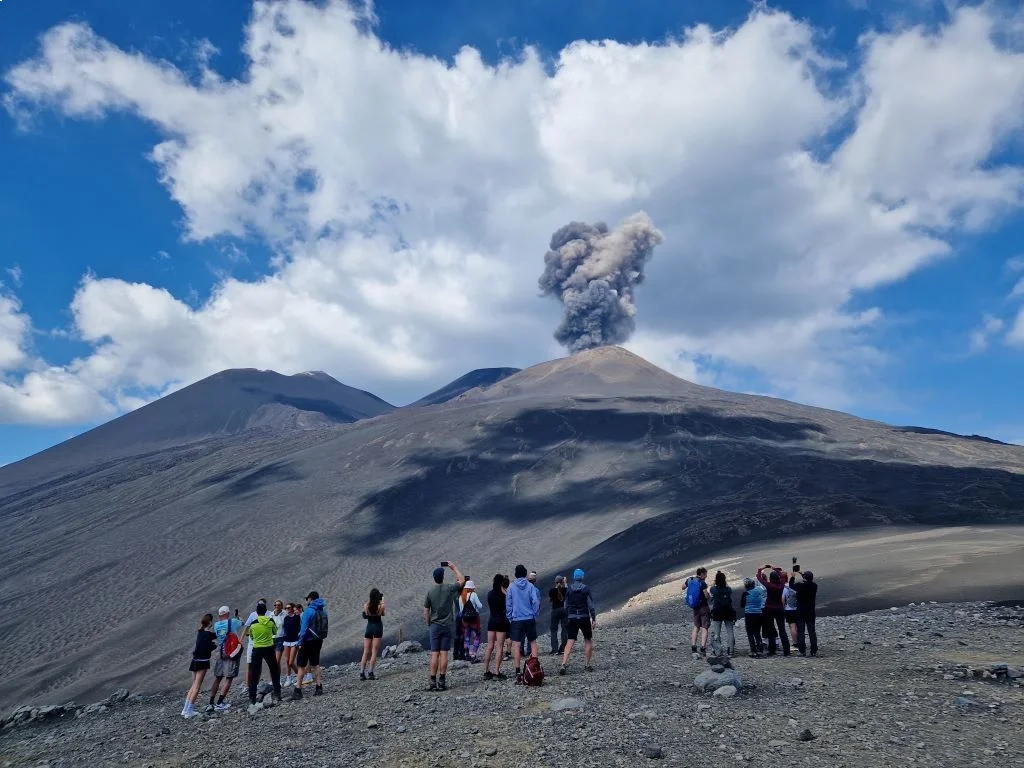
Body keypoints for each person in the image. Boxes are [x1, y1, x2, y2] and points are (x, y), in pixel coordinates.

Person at [423, 561, 466, 691]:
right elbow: (462, 580)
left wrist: (428, 622)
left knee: (435, 654)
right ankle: (442, 680)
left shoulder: (430, 592)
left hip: (435, 625)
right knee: (444, 653)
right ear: (442, 577)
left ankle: (432, 681)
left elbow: (426, 611)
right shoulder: (449, 588)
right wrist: (454, 567)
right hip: (446, 625)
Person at [240, 601, 283, 706]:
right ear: (265, 612)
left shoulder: (253, 624)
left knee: (254, 673)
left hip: (257, 649)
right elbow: (275, 632)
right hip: (269, 648)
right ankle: (277, 693)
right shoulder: (271, 621)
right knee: (274, 671)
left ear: (257, 612)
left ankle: (252, 697)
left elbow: (252, 636)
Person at [506, 564, 541, 684]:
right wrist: (534, 613)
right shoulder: (530, 586)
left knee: (516, 645)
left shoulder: (511, 587)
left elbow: (508, 604)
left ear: (515, 574)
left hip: (516, 619)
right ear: (525, 573)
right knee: (533, 642)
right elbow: (535, 601)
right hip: (529, 617)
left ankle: (518, 672)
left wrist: (510, 617)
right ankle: (534, 666)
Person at [291, 591, 328, 699]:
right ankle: (319, 687)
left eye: (307, 599)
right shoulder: (323, 611)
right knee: (315, 664)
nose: (307, 600)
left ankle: (298, 690)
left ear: (311, 599)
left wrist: (300, 642)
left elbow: (303, 630)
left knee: (301, 666)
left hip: (307, 641)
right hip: (318, 640)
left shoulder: (308, 611)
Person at [559, 569, 596, 675]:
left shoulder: (569, 589)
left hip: (572, 617)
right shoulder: (586, 589)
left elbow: (565, 605)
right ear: (582, 577)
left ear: (574, 577)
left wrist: (568, 615)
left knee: (570, 641)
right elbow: (591, 606)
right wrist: (593, 619)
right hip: (584, 617)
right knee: (588, 640)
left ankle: (564, 664)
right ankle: (587, 665)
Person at [182, 613, 217, 718]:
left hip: (194, 661)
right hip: (202, 662)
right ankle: (189, 711)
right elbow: (211, 644)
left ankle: (185, 709)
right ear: (210, 622)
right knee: (197, 687)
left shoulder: (200, 632)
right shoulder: (208, 634)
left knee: (193, 686)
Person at [208, 606, 242, 712]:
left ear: (219, 615)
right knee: (229, 678)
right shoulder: (233, 622)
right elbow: (242, 623)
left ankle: (211, 703)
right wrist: (238, 617)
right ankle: (220, 703)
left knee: (218, 677)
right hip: (231, 652)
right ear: (227, 613)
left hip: (221, 652)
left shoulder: (216, 625)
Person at [757, 564, 790, 656]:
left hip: (769, 609)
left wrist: (761, 568)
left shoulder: (769, 585)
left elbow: (759, 577)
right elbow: (782, 576)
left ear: (770, 578)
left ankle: (772, 650)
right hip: (779, 608)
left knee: (770, 629)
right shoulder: (781, 585)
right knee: (782, 629)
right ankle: (786, 650)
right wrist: (774, 568)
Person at [483, 573, 509, 680]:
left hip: (491, 620)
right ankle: (497, 672)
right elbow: (509, 603)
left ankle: (486, 671)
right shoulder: (504, 595)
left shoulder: (489, 594)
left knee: (489, 646)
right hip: (501, 621)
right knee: (499, 647)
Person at [683, 567, 711, 656]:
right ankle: (703, 647)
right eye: (706, 574)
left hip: (695, 607)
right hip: (703, 607)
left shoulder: (690, 580)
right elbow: (706, 596)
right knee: (705, 628)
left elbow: (683, 587)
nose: (706, 576)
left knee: (696, 626)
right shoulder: (702, 583)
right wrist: (709, 595)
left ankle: (693, 646)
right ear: (702, 574)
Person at [708, 571, 737, 656]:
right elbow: (728, 587)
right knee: (730, 631)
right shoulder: (728, 590)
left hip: (717, 612)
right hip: (728, 612)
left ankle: (718, 651)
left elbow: (711, 587)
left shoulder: (714, 590)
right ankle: (730, 651)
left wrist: (715, 581)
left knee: (717, 632)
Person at [791, 570, 819, 656]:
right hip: (810, 611)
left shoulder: (800, 586)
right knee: (812, 631)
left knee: (801, 631)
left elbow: (791, 586)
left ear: (804, 578)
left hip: (801, 611)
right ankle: (814, 649)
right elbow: (808, 580)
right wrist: (801, 573)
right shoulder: (814, 586)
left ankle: (802, 650)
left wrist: (792, 577)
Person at [241, 598, 267, 689]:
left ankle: (256, 683)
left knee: (259, 664)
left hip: (263, 643)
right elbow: (246, 626)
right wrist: (241, 639)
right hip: (252, 643)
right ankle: (248, 685)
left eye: (262, 604)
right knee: (250, 664)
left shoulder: (269, 614)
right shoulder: (253, 614)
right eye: (259, 604)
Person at [360, 588, 385, 680]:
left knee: (366, 651)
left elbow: (365, 615)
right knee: (374, 652)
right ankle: (370, 672)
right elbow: (383, 614)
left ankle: (362, 672)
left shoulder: (366, 605)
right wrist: (382, 601)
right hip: (378, 627)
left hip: (369, 627)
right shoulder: (381, 606)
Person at [740, 577, 767, 657]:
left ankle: (753, 650)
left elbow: (742, 605)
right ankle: (760, 649)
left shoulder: (745, 593)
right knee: (757, 632)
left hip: (749, 614)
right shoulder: (759, 590)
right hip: (759, 613)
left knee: (750, 633)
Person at [459, 581, 484, 662]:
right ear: (471, 588)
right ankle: (473, 655)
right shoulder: (473, 595)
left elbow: (461, 610)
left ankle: (467, 655)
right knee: (477, 637)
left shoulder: (461, 596)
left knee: (466, 637)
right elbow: (480, 606)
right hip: (474, 620)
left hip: (465, 620)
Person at [282, 603, 301, 686]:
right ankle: (289, 678)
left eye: (289, 607)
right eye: (286, 608)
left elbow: (300, 627)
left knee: (290, 662)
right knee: (287, 661)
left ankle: (299, 676)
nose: (287, 609)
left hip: (294, 641)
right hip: (286, 641)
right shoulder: (285, 618)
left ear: (292, 608)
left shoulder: (297, 617)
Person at [548, 575, 568, 655]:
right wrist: (566, 584)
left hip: (555, 610)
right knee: (564, 629)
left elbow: (550, 600)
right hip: (564, 610)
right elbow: (568, 592)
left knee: (554, 630)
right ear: (562, 582)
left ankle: (555, 649)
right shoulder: (565, 589)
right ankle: (563, 648)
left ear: (555, 583)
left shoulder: (552, 591)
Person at [271, 600, 287, 668]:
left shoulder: (285, 614)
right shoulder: (270, 615)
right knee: (272, 661)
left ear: (281, 606)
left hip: (281, 638)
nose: (277, 606)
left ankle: (276, 677)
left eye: (279, 605)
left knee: (277, 661)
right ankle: (276, 677)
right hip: (272, 639)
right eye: (275, 605)